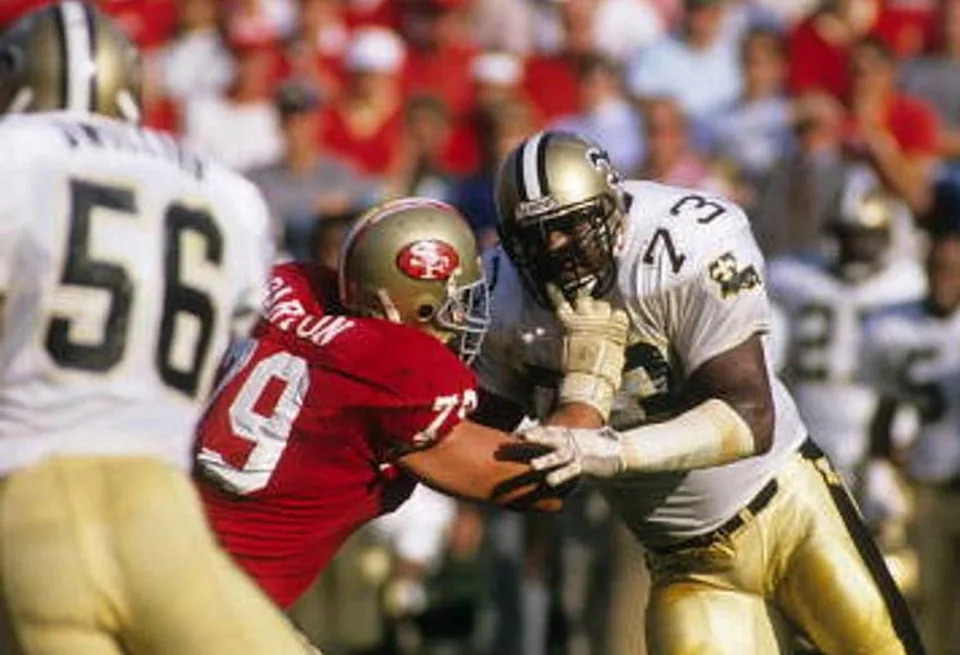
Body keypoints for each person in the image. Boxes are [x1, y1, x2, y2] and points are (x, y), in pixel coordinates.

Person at [477, 129, 926, 654]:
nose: (556, 248)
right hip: (688, 563)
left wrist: (614, 450)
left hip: (788, 510)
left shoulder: (684, 243)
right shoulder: (501, 301)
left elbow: (750, 416)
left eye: (569, 225)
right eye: (535, 235)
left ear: (611, 208)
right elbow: (504, 461)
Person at [0, 3, 317, 654]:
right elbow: (232, 322)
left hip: (29, 503)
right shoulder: (223, 189)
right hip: (160, 508)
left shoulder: (14, 155)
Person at [193, 197, 629, 613]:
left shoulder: (294, 292)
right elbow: (540, 480)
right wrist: (587, 388)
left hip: (158, 533)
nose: (466, 318)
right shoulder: (397, 373)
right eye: (458, 304)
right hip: (208, 602)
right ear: (415, 305)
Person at [768, 171, 925, 487]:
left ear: (887, 239)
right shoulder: (793, 277)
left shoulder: (906, 284)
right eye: (849, 236)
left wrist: (904, 430)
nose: (857, 247)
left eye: (867, 237)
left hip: (874, 425)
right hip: (808, 417)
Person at [862, 179, 960, 655]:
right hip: (931, 482)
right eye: (938, 269)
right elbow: (887, 406)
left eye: (954, 271)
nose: (945, 280)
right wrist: (880, 468)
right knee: (930, 604)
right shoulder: (894, 328)